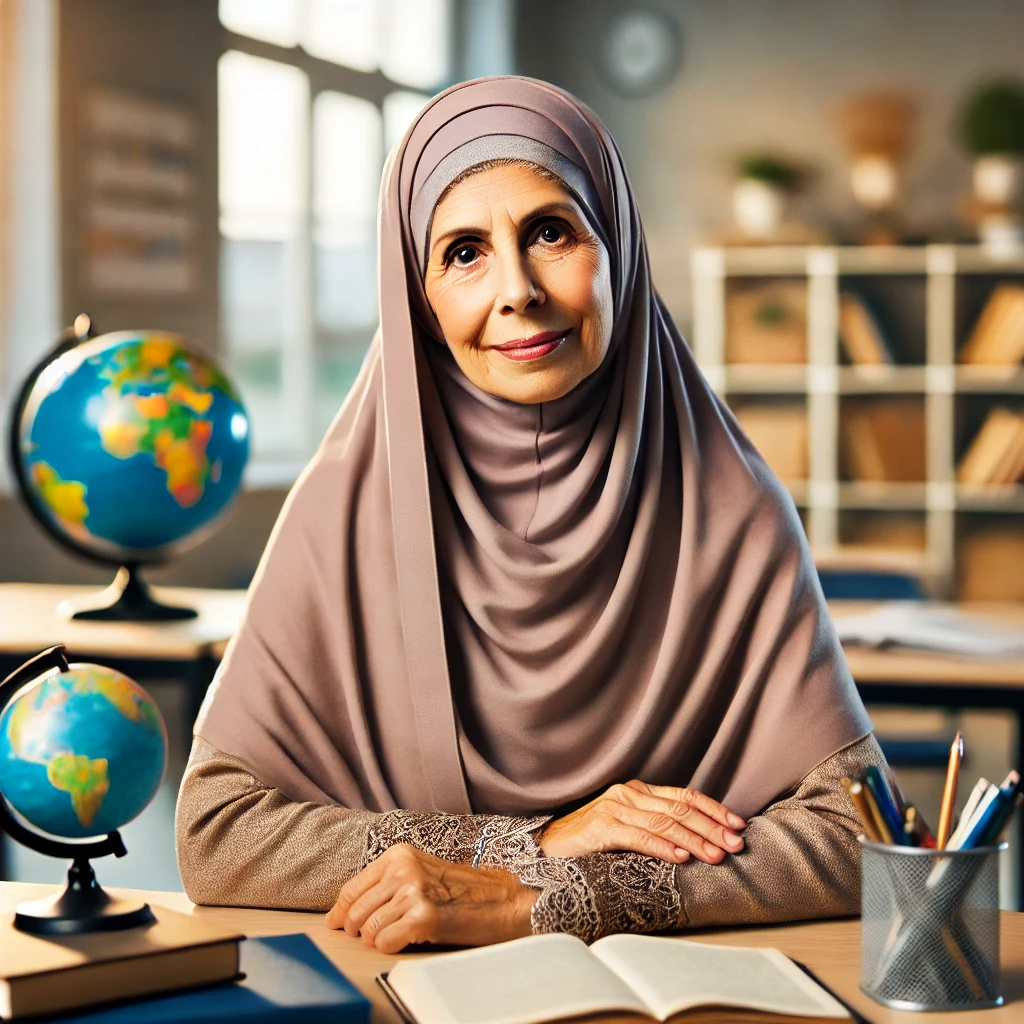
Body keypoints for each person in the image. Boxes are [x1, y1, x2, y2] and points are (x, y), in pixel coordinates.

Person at [176, 76, 889, 954]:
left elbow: (865, 836)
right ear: (419, 296)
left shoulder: (730, 504)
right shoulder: (345, 507)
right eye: (464, 252)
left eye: (551, 232)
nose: (516, 290)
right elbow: (217, 832)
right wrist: (531, 845)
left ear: (617, 245)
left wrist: (550, 899)